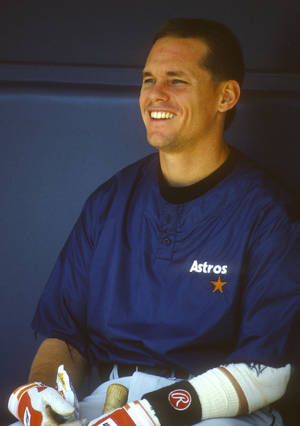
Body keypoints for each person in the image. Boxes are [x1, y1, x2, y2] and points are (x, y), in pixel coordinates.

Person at [8, 18, 300, 426]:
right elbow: (64, 336)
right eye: (148, 80)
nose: (155, 94)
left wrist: (152, 414)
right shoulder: (109, 201)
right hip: (109, 401)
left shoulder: (270, 212)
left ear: (226, 96)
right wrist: (39, 394)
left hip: (216, 411)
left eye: (176, 80)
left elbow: (266, 373)